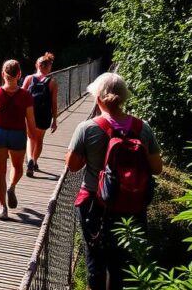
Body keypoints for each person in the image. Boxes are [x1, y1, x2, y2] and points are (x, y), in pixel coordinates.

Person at [65, 72, 164, 290]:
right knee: (123, 262)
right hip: (132, 203)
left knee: (96, 260)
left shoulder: (87, 128)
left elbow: (72, 166)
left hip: (95, 203)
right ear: (124, 98)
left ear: (98, 98)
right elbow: (157, 168)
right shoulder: (142, 128)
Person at [0, 59, 37, 220]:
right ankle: (12, 187)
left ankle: (2, 208)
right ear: (19, 75)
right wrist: (32, 136)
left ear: (3, 74)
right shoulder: (26, 95)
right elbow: (31, 121)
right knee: (17, 167)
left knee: (0, 171)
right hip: (17, 135)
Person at [22, 52, 58, 177]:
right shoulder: (52, 82)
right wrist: (55, 120)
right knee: (39, 139)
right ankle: (35, 160)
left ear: (37, 65)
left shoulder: (28, 79)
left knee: (30, 138)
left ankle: (30, 160)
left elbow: (22, 96)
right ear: (48, 67)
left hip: (30, 113)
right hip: (44, 115)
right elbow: (53, 103)